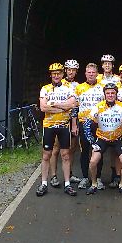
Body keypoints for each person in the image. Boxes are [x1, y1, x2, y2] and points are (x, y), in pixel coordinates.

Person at [84, 83, 122, 196]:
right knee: (93, 162)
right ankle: (93, 184)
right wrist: (92, 141)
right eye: (108, 93)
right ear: (104, 95)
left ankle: (121, 185)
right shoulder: (98, 106)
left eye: (113, 93)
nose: (110, 95)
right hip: (102, 138)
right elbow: (87, 124)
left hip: (118, 139)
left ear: (116, 94)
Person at [36, 63, 78, 197]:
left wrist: (53, 104)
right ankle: (43, 183)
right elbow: (43, 108)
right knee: (46, 155)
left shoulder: (68, 88)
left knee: (65, 155)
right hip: (49, 126)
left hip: (63, 126)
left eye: (58, 73)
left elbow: (72, 104)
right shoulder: (45, 89)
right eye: (54, 73)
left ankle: (67, 184)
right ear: (50, 75)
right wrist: (62, 107)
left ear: (62, 74)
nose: (56, 75)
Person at [49, 59, 81, 188]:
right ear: (65, 71)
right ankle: (53, 176)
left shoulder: (78, 86)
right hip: (58, 120)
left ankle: (70, 173)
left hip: (72, 120)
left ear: (76, 71)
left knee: (71, 149)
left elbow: (75, 105)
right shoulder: (58, 84)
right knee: (55, 148)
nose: (71, 72)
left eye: (73, 70)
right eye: (69, 69)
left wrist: (74, 123)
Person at [74, 63, 105, 189]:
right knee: (85, 151)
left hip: (99, 124)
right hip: (84, 123)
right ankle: (85, 178)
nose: (91, 74)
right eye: (89, 72)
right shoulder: (79, 88)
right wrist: (74, 125)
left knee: (98, 150)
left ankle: (98, 178)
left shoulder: (103, 87)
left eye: (93, 72)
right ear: (85, 74)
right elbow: (75, 107)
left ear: (97, 74)